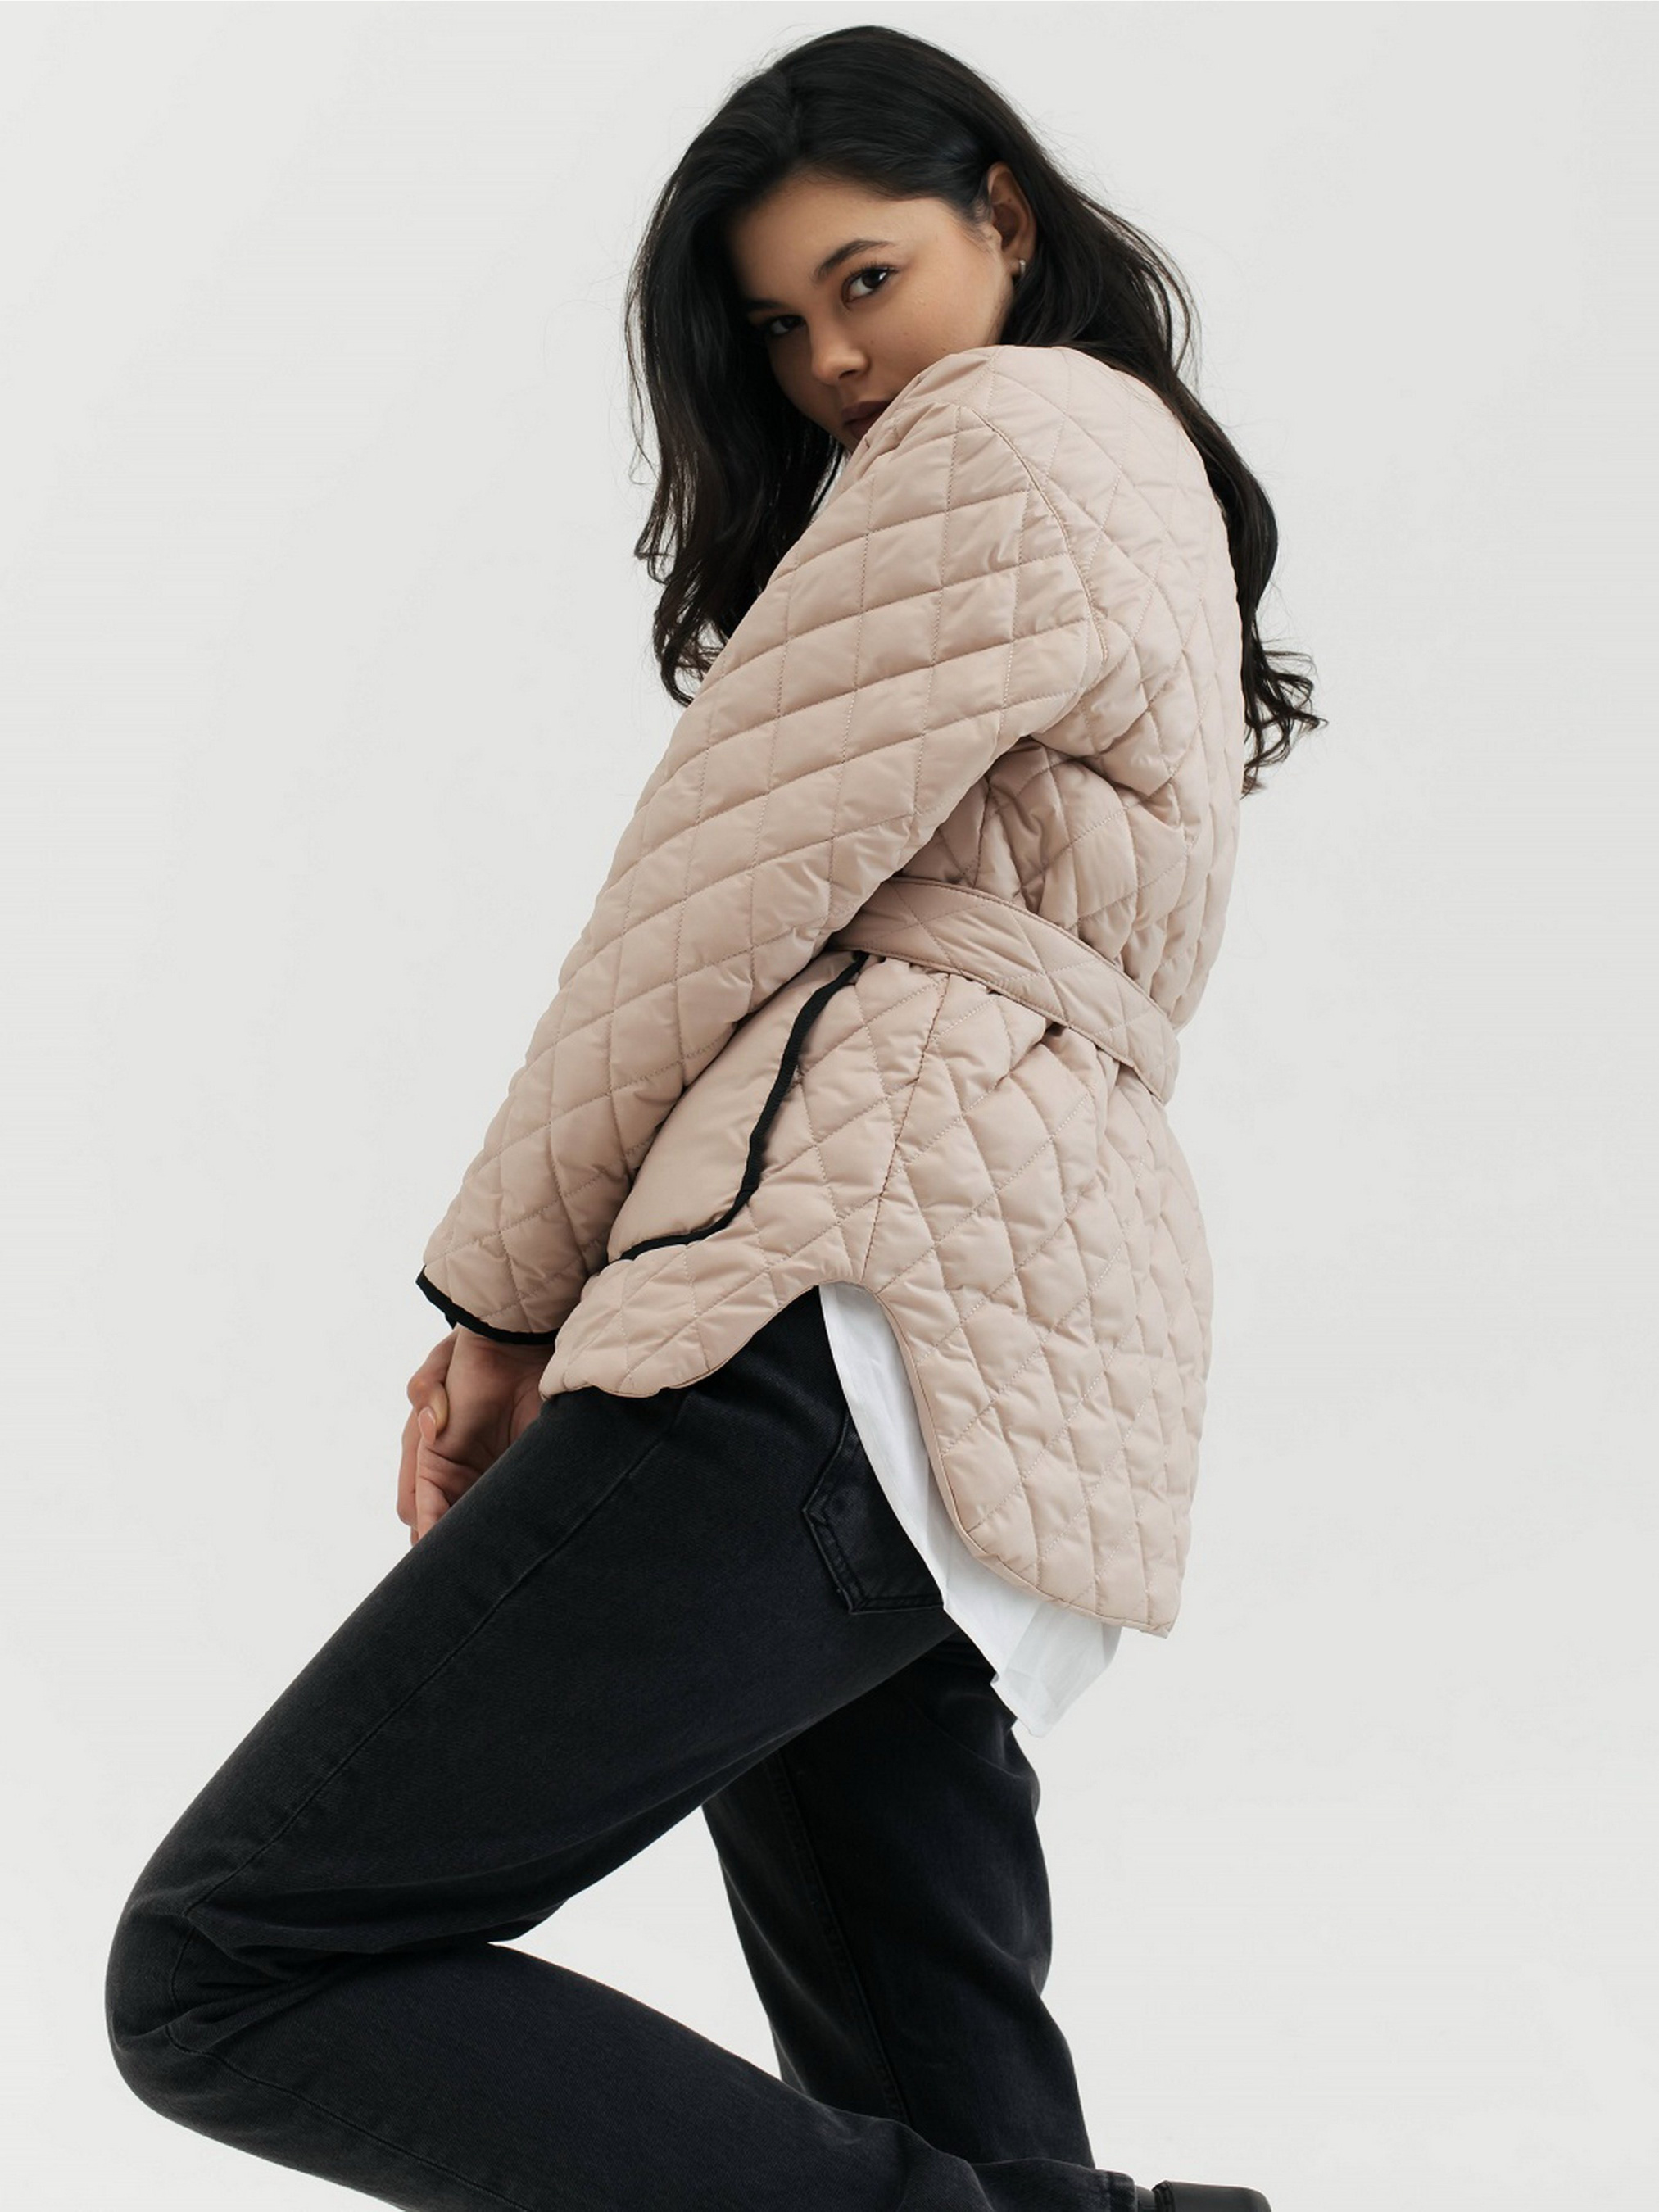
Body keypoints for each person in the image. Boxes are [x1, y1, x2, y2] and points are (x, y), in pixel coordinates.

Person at [104, 25, 1321, 2212]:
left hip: (856, 1278)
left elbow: (700, 903)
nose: (831, 361)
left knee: (232, 1965)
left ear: (1003, 218)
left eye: (865, 280)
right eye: (776, 326)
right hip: (1007, 1323)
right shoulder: (1129, 479)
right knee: (936, 2073)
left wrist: (502, 1301)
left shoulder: (1005, 433)